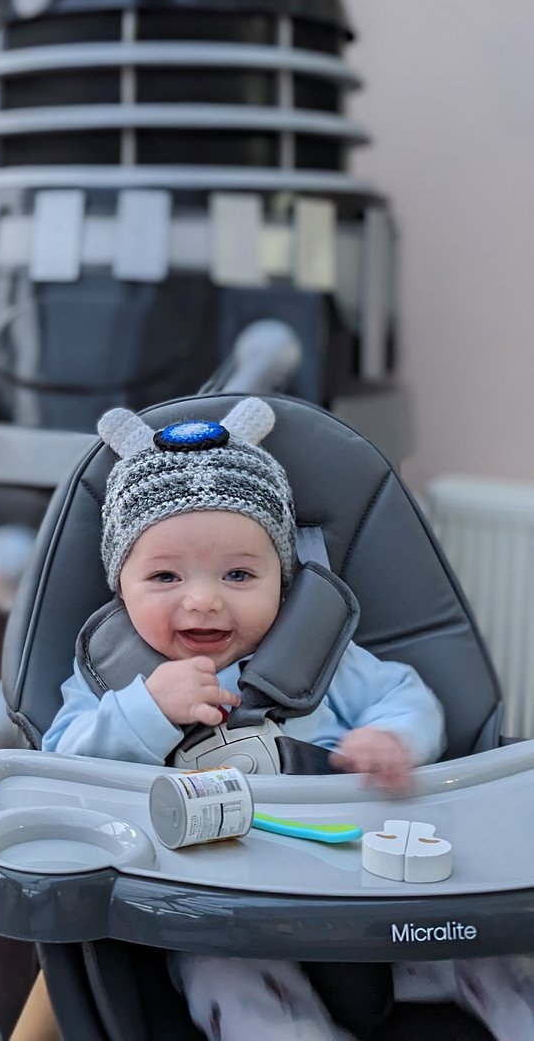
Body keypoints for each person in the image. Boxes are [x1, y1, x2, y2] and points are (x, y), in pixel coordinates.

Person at [41, 397, 532, 1041]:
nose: (204, 599)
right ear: (120, 584)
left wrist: (391, 738)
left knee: (498, 962)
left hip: (373, 903)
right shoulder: (115, 682)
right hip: (221, 918)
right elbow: (58, 770)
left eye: (240, 573)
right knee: (233, 991)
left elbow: (404, 696)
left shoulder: (323, 658)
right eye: (164, 575)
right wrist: (145, 712)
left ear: (284, 577)